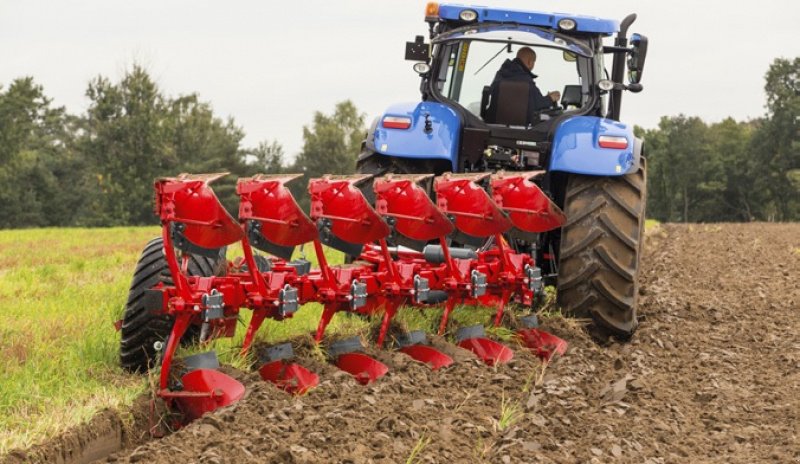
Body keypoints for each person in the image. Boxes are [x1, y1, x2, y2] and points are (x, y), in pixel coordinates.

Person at [485, 47, 560, 124]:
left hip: (494, 127)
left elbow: (492, 92)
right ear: (530, 62)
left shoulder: (501, 74)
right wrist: (550, 98)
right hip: (523, 132)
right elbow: (538, 105)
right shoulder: (526, 81)